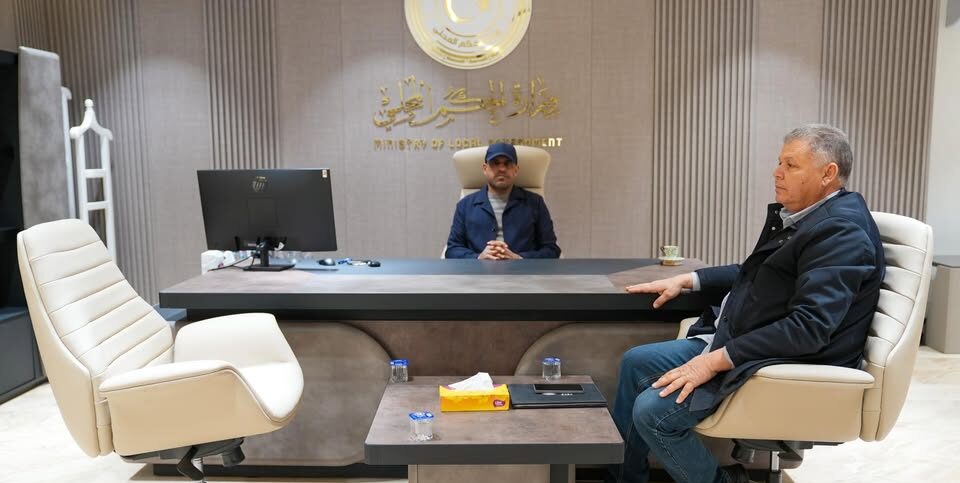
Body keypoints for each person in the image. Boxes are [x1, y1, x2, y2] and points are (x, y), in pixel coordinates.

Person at [607, 124, 885, 483]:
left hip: (782, 360)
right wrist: (689, 279)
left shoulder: (840, 231)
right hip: (744, 338)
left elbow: (809, 329)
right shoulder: (808, 217)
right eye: (779, 162)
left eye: (791, 165)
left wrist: (713, 361)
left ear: (827, 174)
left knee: (653, 413)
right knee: (635, 363)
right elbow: (759, 272)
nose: (777, 172)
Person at [445, 142, 561, 259]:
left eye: (508, 163)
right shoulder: (465, 205)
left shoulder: (535, 203)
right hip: (479, 269)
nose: (502, 169)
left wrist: (519, 258)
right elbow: (452, 250)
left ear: (516, 170)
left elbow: (552, 250)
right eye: (495, 163)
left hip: (522, 269)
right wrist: (478, 257)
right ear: (485, 169)